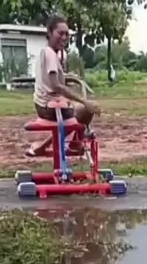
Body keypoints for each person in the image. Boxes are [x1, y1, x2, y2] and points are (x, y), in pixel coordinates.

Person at [27, 14, 100, 157]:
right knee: (85, 111)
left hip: (44, 104)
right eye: (60, 33)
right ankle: (73, 144)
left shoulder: (48, 52)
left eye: (67, 34)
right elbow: (56, 86)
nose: (64, 37)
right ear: (49, 33)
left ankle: (57, 145)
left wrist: (67, 77)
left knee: (79, 112)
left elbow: (52, 80)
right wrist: (84, 101)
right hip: (49, 107)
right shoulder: (50, 54)